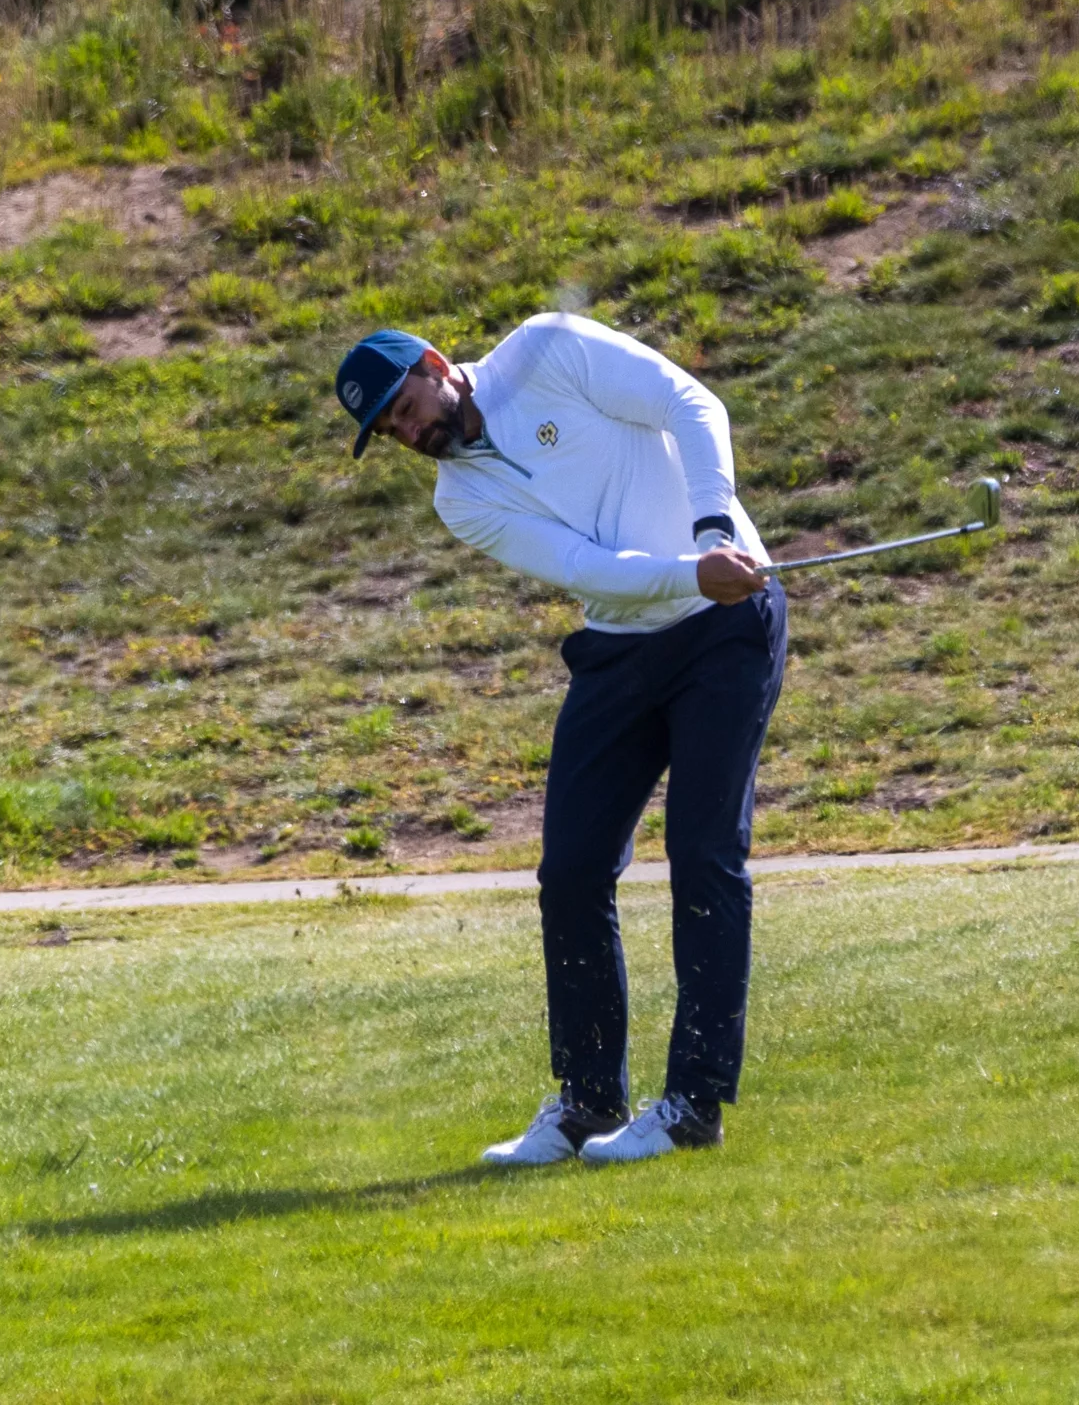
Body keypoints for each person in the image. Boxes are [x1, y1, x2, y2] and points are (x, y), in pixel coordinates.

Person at [334, 313, 785, 1166]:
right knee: (571, 869)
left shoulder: (549, 351)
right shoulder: (460, 499)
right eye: (389, 428)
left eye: (404, 405)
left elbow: (692, 404)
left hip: (726, 625)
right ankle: (587, 1103)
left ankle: (692, 1104)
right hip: (620, 644)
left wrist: (712, 534)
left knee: (704, 854)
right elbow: (583, 566)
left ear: (436, 364)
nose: (408, 430)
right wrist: (687, 572)